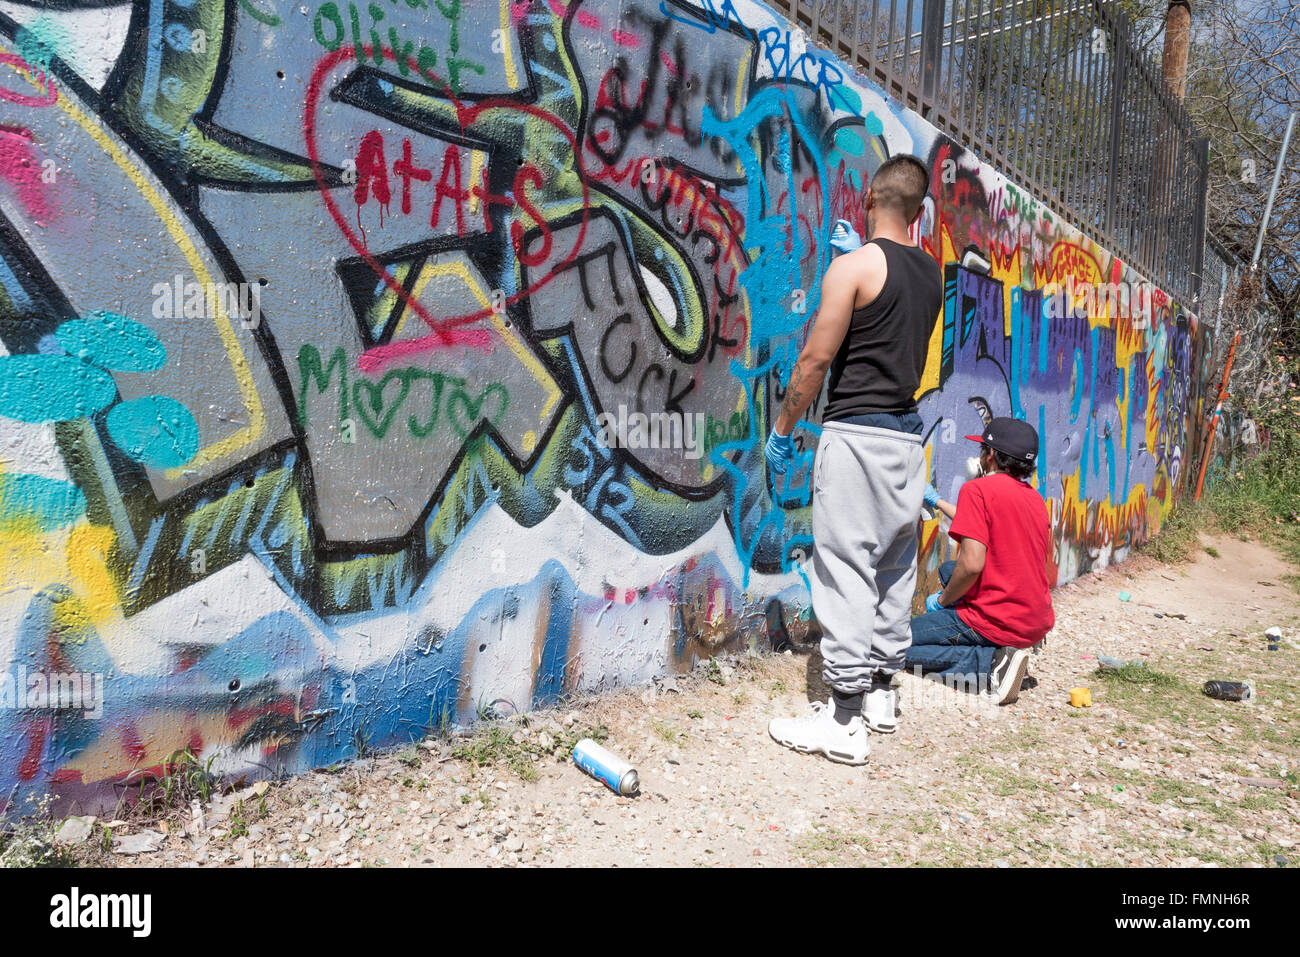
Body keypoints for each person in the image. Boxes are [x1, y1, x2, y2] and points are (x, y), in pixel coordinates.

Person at [764, 154, 942, 765]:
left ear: (868, 198)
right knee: (894, 567)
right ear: (917, 213)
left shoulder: (852, 267)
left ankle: (843, 720)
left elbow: (815, 362)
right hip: (906, 440)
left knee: (844, 569)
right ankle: (883, 697)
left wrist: (784, 427)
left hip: (857, 437)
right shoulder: (934, 275)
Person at [906, 417, 1055, 706]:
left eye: (982, 449)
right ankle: (1008, 646)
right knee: (948, 570)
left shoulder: (977, 491)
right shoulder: (1036, 500)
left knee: (892, 645)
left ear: (989, 456)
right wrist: (936, 501)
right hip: (1034, 618)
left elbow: (972, 565)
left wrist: (945, 602)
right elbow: (984, 526)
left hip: (997, 619)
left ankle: (990, 663)